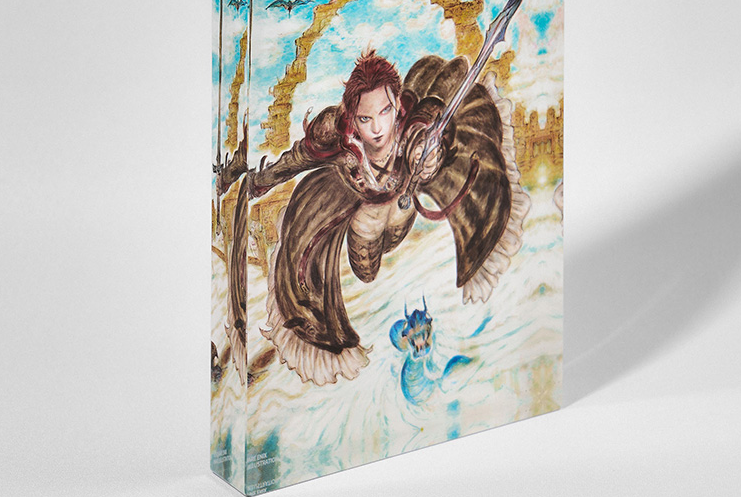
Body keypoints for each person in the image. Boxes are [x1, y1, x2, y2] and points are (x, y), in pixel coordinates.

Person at [218, 50, 529, 386]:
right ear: (353, 116)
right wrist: (261, 181)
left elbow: (436, 112)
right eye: (366, 119)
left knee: (395, 230)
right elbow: (299, 158)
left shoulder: (414, 127)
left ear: (397, 104)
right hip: (360, 215)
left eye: (385, 112)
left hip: (401, 209)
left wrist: (431, 155)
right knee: (365, 272)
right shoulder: (333, 131)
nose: (378, 128)